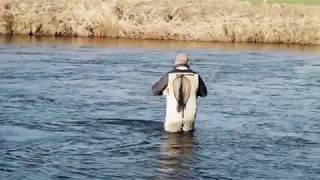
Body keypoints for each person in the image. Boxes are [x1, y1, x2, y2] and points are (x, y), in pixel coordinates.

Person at [152, 53, 207, 133]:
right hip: (189, 118)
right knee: (188, 142)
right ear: (188, 64)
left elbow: (154, 91)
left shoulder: (169, 75)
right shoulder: (196, 76)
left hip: (173, 117)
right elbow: (204, 93)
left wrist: (164, 92)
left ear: (175, 64)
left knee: (170, 142)